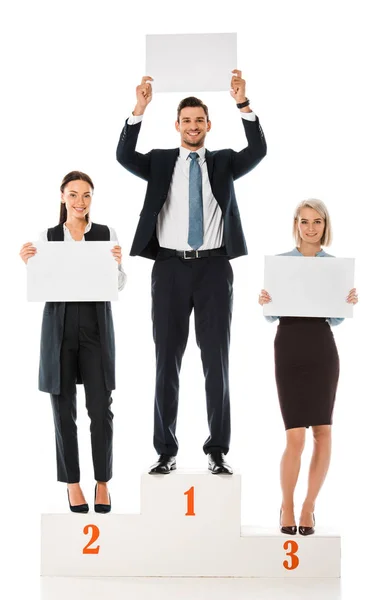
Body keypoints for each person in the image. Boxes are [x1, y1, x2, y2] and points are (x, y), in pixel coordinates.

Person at [116, 70, 267, 475]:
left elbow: (259, 150)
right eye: (187, 120)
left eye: (200, 120)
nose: (194, 126)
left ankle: (217, 449)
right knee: (167, 360)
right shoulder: (162, 161)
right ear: (177, 125)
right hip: (169, 269)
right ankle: (166, 450)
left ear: (208, 125)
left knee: (215, 361)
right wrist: (139, 109)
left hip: (215, 268)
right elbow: (124, 157)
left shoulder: (224, 162)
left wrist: (243, 102)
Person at [19, 171, 126, 513]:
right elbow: (41, 281)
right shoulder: (47, 237)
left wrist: (118, 266)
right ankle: (73, 483)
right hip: (59, 327)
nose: (81, 202)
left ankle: (103, 482)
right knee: (62, 407)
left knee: (100, 407)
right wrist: (28, 264)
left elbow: (119, 284)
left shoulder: (105, 234)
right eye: (74, 194)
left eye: (87, 195)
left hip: (95, 325)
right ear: (62, 196)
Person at [259, 199, 358, 535]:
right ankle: (286, 504)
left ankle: (308, 506)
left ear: (325, 225)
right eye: (305, 221)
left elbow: (335, 318)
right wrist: (265, 301)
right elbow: (272, 315)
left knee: (323, 431)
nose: (311, 228)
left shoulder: (334, 266)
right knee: (295, 436)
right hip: (288, 344)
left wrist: (346, 302)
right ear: (296, 224)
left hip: (321, 346)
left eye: (317, 222)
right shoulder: (282, 263)